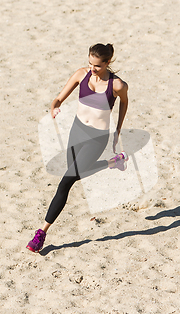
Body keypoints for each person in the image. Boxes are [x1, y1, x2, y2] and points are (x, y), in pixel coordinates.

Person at [27, 43, 129, 253]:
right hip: (77, 132)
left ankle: (42, 233)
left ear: (107, 63)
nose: (92, 69)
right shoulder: (81, 75)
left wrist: (118, 129)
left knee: (66, 181)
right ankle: (114, 162)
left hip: (97, 138)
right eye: (90, 64)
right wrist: (55, 106)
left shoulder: (117, 85)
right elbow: (58, 98)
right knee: (78, 173)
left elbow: (124, 103)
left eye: (97, 66)